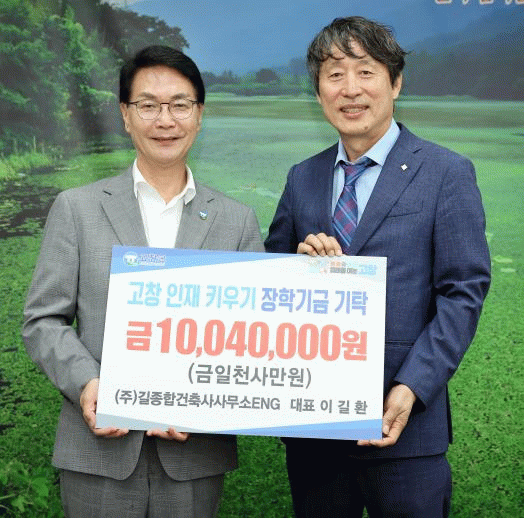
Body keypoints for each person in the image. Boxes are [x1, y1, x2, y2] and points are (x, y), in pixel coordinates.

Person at [23, 45, 263, 518]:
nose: (165, 120)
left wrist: (204, 406)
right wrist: (87, 383)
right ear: (125, 115)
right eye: (148, 105)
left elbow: (252, 339)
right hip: (97, 455)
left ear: (199, 115)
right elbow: (43, 320)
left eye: (180, 105)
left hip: (193, 458)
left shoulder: (237, 221)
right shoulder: (77, 208)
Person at [265, 16, 490, 517]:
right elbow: (269, 282)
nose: (350, 89)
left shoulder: (446, 172)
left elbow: (463, 291)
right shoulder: (303, 178)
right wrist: (298, 268)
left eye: (365, 71)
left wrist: (412, 387)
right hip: (315, 432)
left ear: (396, 82)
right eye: (334, 74)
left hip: (407, 429)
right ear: (318, 91)